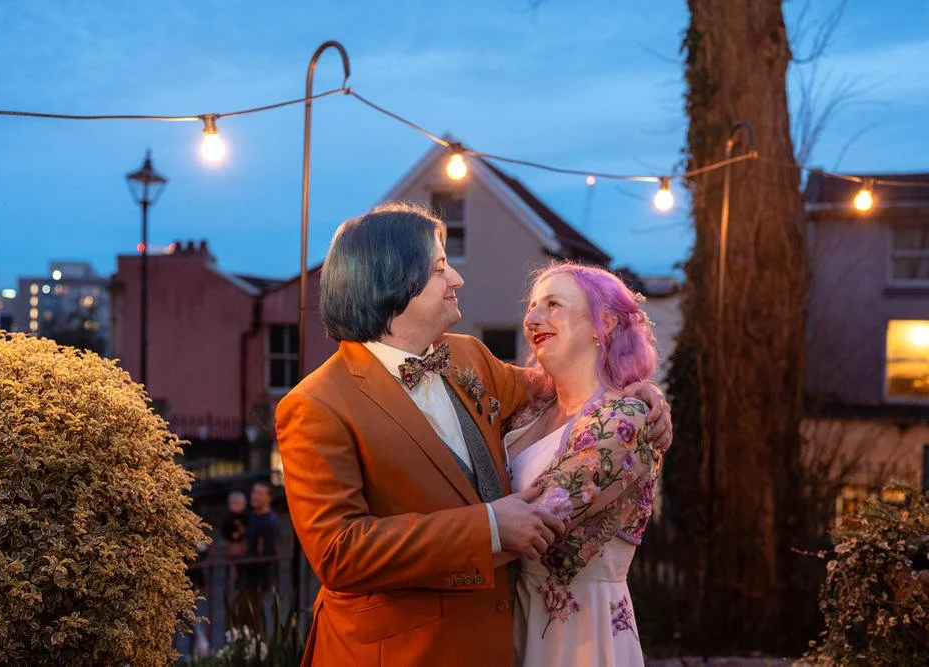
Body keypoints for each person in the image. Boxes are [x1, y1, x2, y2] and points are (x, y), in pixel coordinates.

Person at [275, 202, 672, 666]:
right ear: (396, 280)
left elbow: (560, 386)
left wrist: (633, 386)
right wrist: (487, 528)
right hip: (401, 652)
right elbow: (339, 552)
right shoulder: (315, 405)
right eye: (441, 268)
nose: (457, 279)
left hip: (507, 642)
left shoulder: (467, 357)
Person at [507, 263, 664, 666]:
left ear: (604, 323)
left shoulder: (624, 417)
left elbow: (542, 518)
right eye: (533, 306)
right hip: (510, 620)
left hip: (578, 637)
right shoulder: (528, 413)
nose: (532, 318)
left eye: (554, 304)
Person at [244, 482, 280, 593]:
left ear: (269, 498)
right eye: (254, 492)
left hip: (259, 578)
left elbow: (267, 552)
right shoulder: (250, 516)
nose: (255, 496)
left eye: (260, 493)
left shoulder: (269, 522)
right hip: (247, 574)